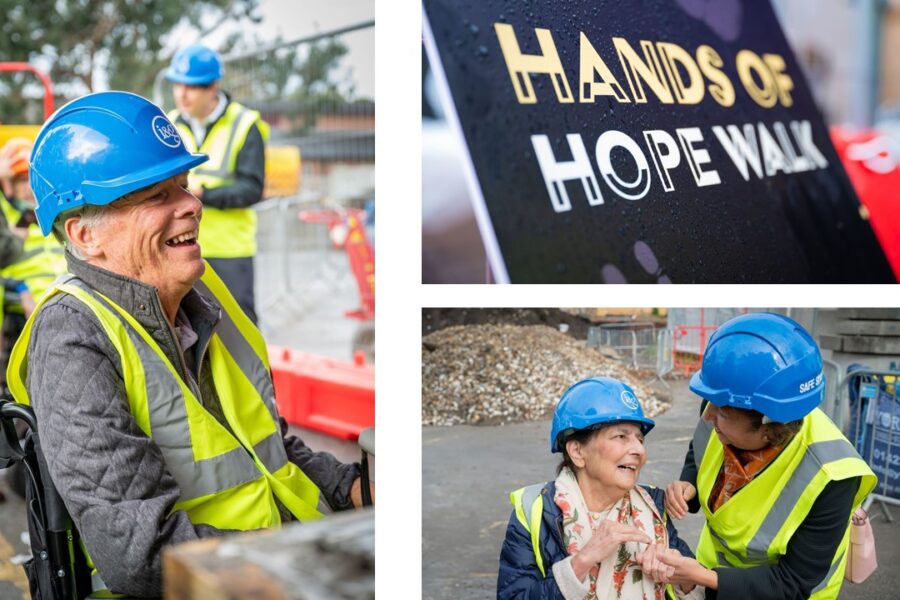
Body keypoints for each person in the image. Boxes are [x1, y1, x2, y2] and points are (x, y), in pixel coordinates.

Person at [7, 91, 369, 598]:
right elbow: (142, 554)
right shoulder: (74, 339)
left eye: (184, 185)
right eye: (157, 196)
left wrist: (351, 487)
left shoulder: (202, 294)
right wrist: (311, 557)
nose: (193, 205)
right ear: (85, 235)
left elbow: (264, 446)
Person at [661, 313, 876, 599]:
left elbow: (792, 582)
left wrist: (703, 577)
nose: (707, 415)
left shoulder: (832, 477)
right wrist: (690, 485)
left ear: (769, 426)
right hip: (710, 577)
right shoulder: (724, 399)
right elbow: (698, 451)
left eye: (722, 413)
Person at [498, 377, 701, 600]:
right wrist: (582, 561)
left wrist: (682, 578)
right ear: (577, 452)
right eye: (621, 436)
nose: (639, 450)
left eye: (640, 440)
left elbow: (695, 587)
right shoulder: (535, 511)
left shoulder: (653, 506)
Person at [165, 43, 266, 323]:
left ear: (213, 87)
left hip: (230, 251)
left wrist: (202, 194)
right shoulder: (167, 125)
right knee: (187, 330)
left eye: (192, 86)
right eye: (177, 85)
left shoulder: (245, 124)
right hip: (178, 248)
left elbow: (251, 189)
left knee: (239, 330)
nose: (182, 94)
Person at [0, 137, 66, 304]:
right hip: (20, 311)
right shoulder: (5, 215)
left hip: (65, 307)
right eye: (21, 180)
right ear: (7, 184)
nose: (29, 186)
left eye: (31, 178)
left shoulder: (56, 213)